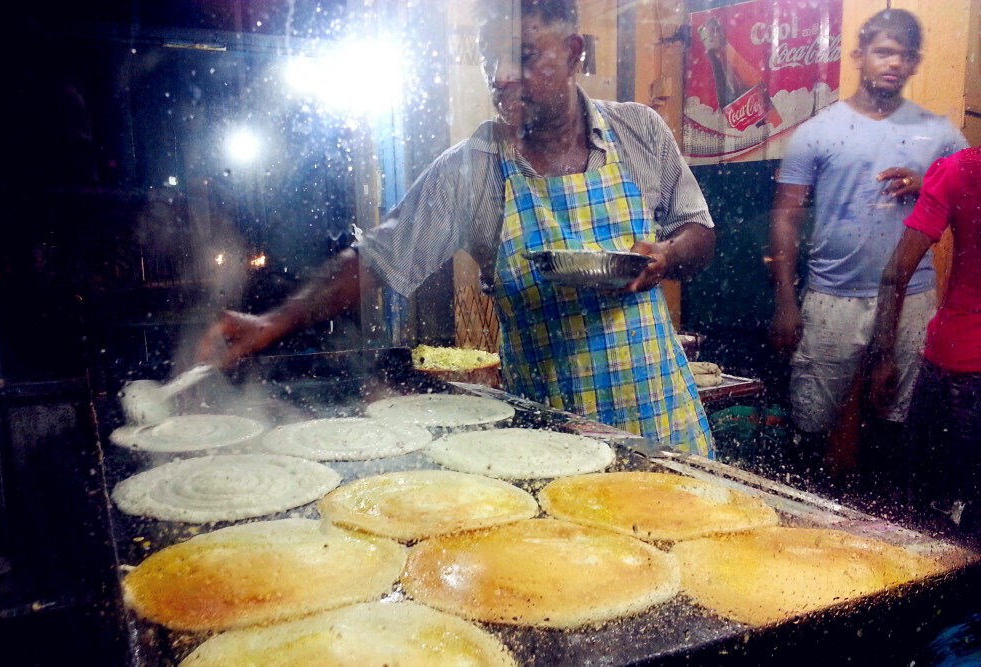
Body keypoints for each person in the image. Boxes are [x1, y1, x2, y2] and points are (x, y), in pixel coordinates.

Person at [197, 0, 717, 456]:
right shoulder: (472, 169)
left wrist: (666, 257)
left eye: (524, 54)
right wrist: (273, 321)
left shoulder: (638, 130)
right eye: (490, 59)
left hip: (662, 426)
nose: (502, 76)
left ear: (575, 53)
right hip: (550, 440)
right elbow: (375, 258)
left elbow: (700, 230)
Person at [766, 9, 968, 479]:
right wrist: (785, 301)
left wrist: (929, 184)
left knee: (898, 424)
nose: (893, 63)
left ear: (916, 62)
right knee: (810, 423)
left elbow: (973, 195)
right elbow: (785, 217)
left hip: (912, 296)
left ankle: (886, 533)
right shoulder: (818, 131)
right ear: (859, 56)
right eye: (883, 51)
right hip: (832, 296)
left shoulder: (937, 133)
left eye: (904, 54)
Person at [869, 145, 981, 533]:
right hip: (959, 371)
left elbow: (894, 273)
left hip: (948, 361)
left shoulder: (957, 171)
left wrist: (883, 357)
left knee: (920, 512)